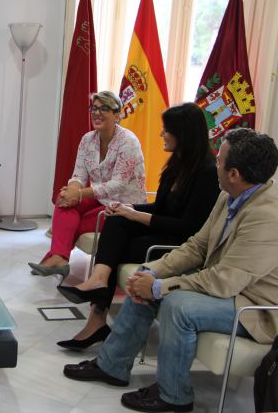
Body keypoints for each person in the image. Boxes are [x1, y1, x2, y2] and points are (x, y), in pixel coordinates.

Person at [64, 128, 278, 412]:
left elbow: (224, 281)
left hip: (255, 307)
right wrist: (152, 272)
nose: (215, 164)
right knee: (147, 278)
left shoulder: (266, 215)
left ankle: (174, 395)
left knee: (177, 304)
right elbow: (197, 246)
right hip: (230, 290)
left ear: (234, 173)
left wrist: (159, 287)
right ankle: (112, 365)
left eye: (220, 160)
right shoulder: (230, 196)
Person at [57, 102, 221, 351]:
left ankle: (97, 319)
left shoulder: (208, 173)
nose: (161, 134)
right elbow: (160, 207)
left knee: (119, 244)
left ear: (183, 134)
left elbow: (189, 227)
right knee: (115, 219)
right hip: (165, 229)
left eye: (167, 130)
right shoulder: (176, 164)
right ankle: (98, 287)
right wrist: (127, 210)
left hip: (182, 243)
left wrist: (136, 215)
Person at [29, 91, 146, 277]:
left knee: (74, 224)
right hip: (99, 198)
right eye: (94, 108)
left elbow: (118, 184)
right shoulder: (87, 139)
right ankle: (59, 259)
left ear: (117, 115)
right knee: (63, 200)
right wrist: (73, 190)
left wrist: (81, 194)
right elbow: (79, 174)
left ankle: (57, 257)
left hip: (123, 206)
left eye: (104, 109)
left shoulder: (128, 142)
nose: (97, 113)